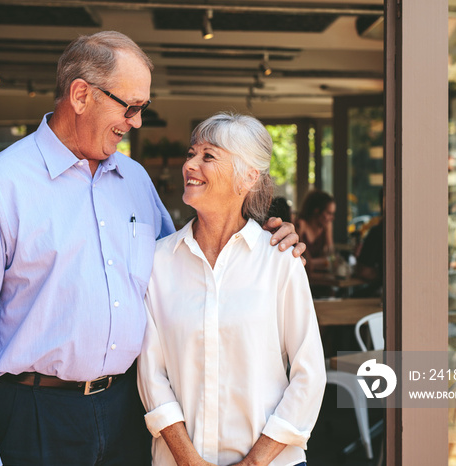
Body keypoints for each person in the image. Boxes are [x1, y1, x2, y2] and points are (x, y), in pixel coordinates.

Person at [0, 31, 306, 466]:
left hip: (128, 417)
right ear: (80, 95)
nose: (136, 122)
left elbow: (190, 262)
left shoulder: (134, 181)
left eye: (142, 109)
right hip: (37, 416)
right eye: (130, 106)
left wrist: (267, 237)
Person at [137, 112, 326, 466]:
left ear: (248, 177)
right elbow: (151, 374)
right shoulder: (158, 262)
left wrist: (255, 463)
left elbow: (309, 374)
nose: (190, 164)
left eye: (208, 156)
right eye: (191, 153)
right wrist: (188, 460)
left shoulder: (280, 260)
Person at [295, 189, 336, 273]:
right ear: (316, 210)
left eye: (333, 214)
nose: (332, 218)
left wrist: (313, 262)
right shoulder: (301, 225)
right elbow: (303, 260)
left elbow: (332, 258)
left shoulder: (326, 226)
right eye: (328, 213)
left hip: (320, 277)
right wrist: (322, 262)